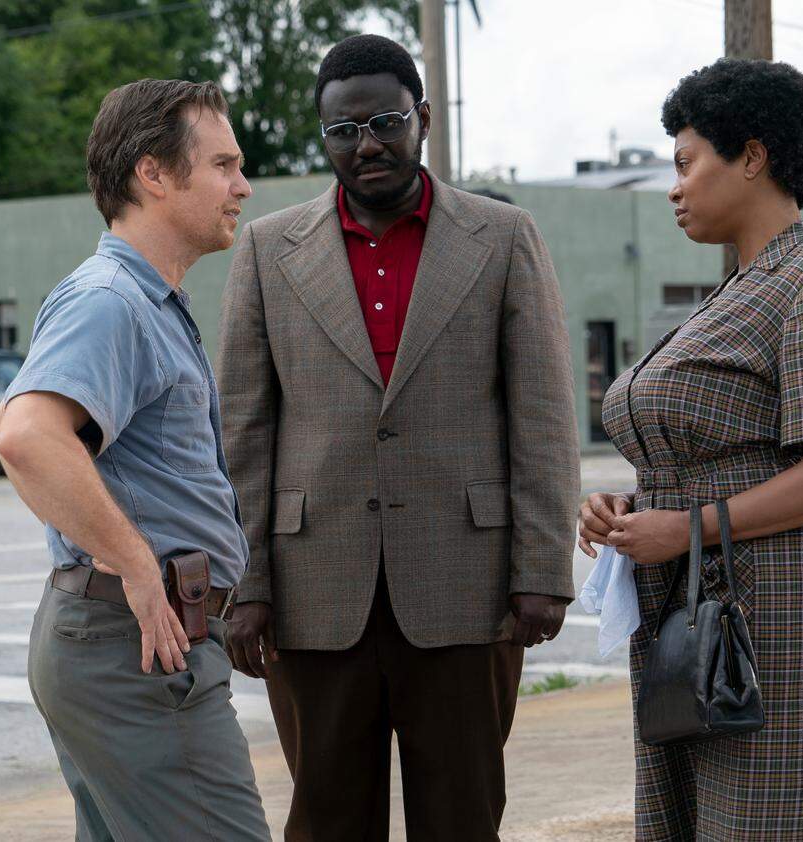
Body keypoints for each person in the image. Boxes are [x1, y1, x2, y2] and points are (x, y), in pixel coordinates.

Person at [217, 34, 580, 842]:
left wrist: (543, 568)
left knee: (462, 816)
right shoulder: (267, 250)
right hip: (315, 590)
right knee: (326, 818)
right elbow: (242, 427)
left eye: (384, 122)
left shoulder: (504, 236)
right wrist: (246, 581)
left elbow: (545, 415)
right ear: (325, 137)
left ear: (423, 118)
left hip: (468, 585)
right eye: (343, 130)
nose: (366, 145)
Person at [581, 59, 803, 840]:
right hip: (695, 618)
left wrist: (688, 526)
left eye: (687, 162)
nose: (674, 187)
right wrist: (629, 511)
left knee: (773, 818)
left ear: (751, 157)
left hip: (776, 614)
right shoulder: (737, 291)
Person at [0, 79, 270, 842]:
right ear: (153, 173)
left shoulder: (138, 301)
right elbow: (24, 435)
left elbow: (12, 426)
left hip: (124, 647)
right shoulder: (112, 300)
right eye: (223, 164)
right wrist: (139, 568)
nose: (242, 185)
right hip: (137, 651)